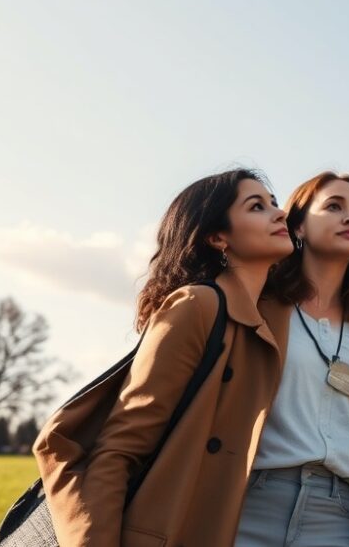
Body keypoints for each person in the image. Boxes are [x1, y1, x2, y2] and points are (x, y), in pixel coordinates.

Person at [35, 168, 294, 546]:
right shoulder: (197, 304)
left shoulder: (262, 320)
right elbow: (121, 445)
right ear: (218, 237)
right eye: (257, 206)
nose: (279, 212)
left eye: (274, 203)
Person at [239, 171, 349, 547]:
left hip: (336, 517)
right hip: (250, 504)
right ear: (296, 225)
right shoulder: (254, 305)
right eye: (334, 206)